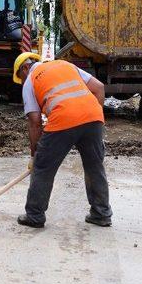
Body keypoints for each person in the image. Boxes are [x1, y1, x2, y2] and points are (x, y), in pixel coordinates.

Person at [12, 52, 112, 228]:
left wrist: (35, 154)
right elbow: (99, 88)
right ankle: (101, 213)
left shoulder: (31, 79)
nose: (22, 82)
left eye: (20, 77)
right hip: (93, 118)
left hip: (62, 120)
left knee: (43, 168)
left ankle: (35, 215)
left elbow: (35, 122)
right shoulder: (65, 65)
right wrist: (92, 118)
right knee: (95, 166)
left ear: (25, 68)